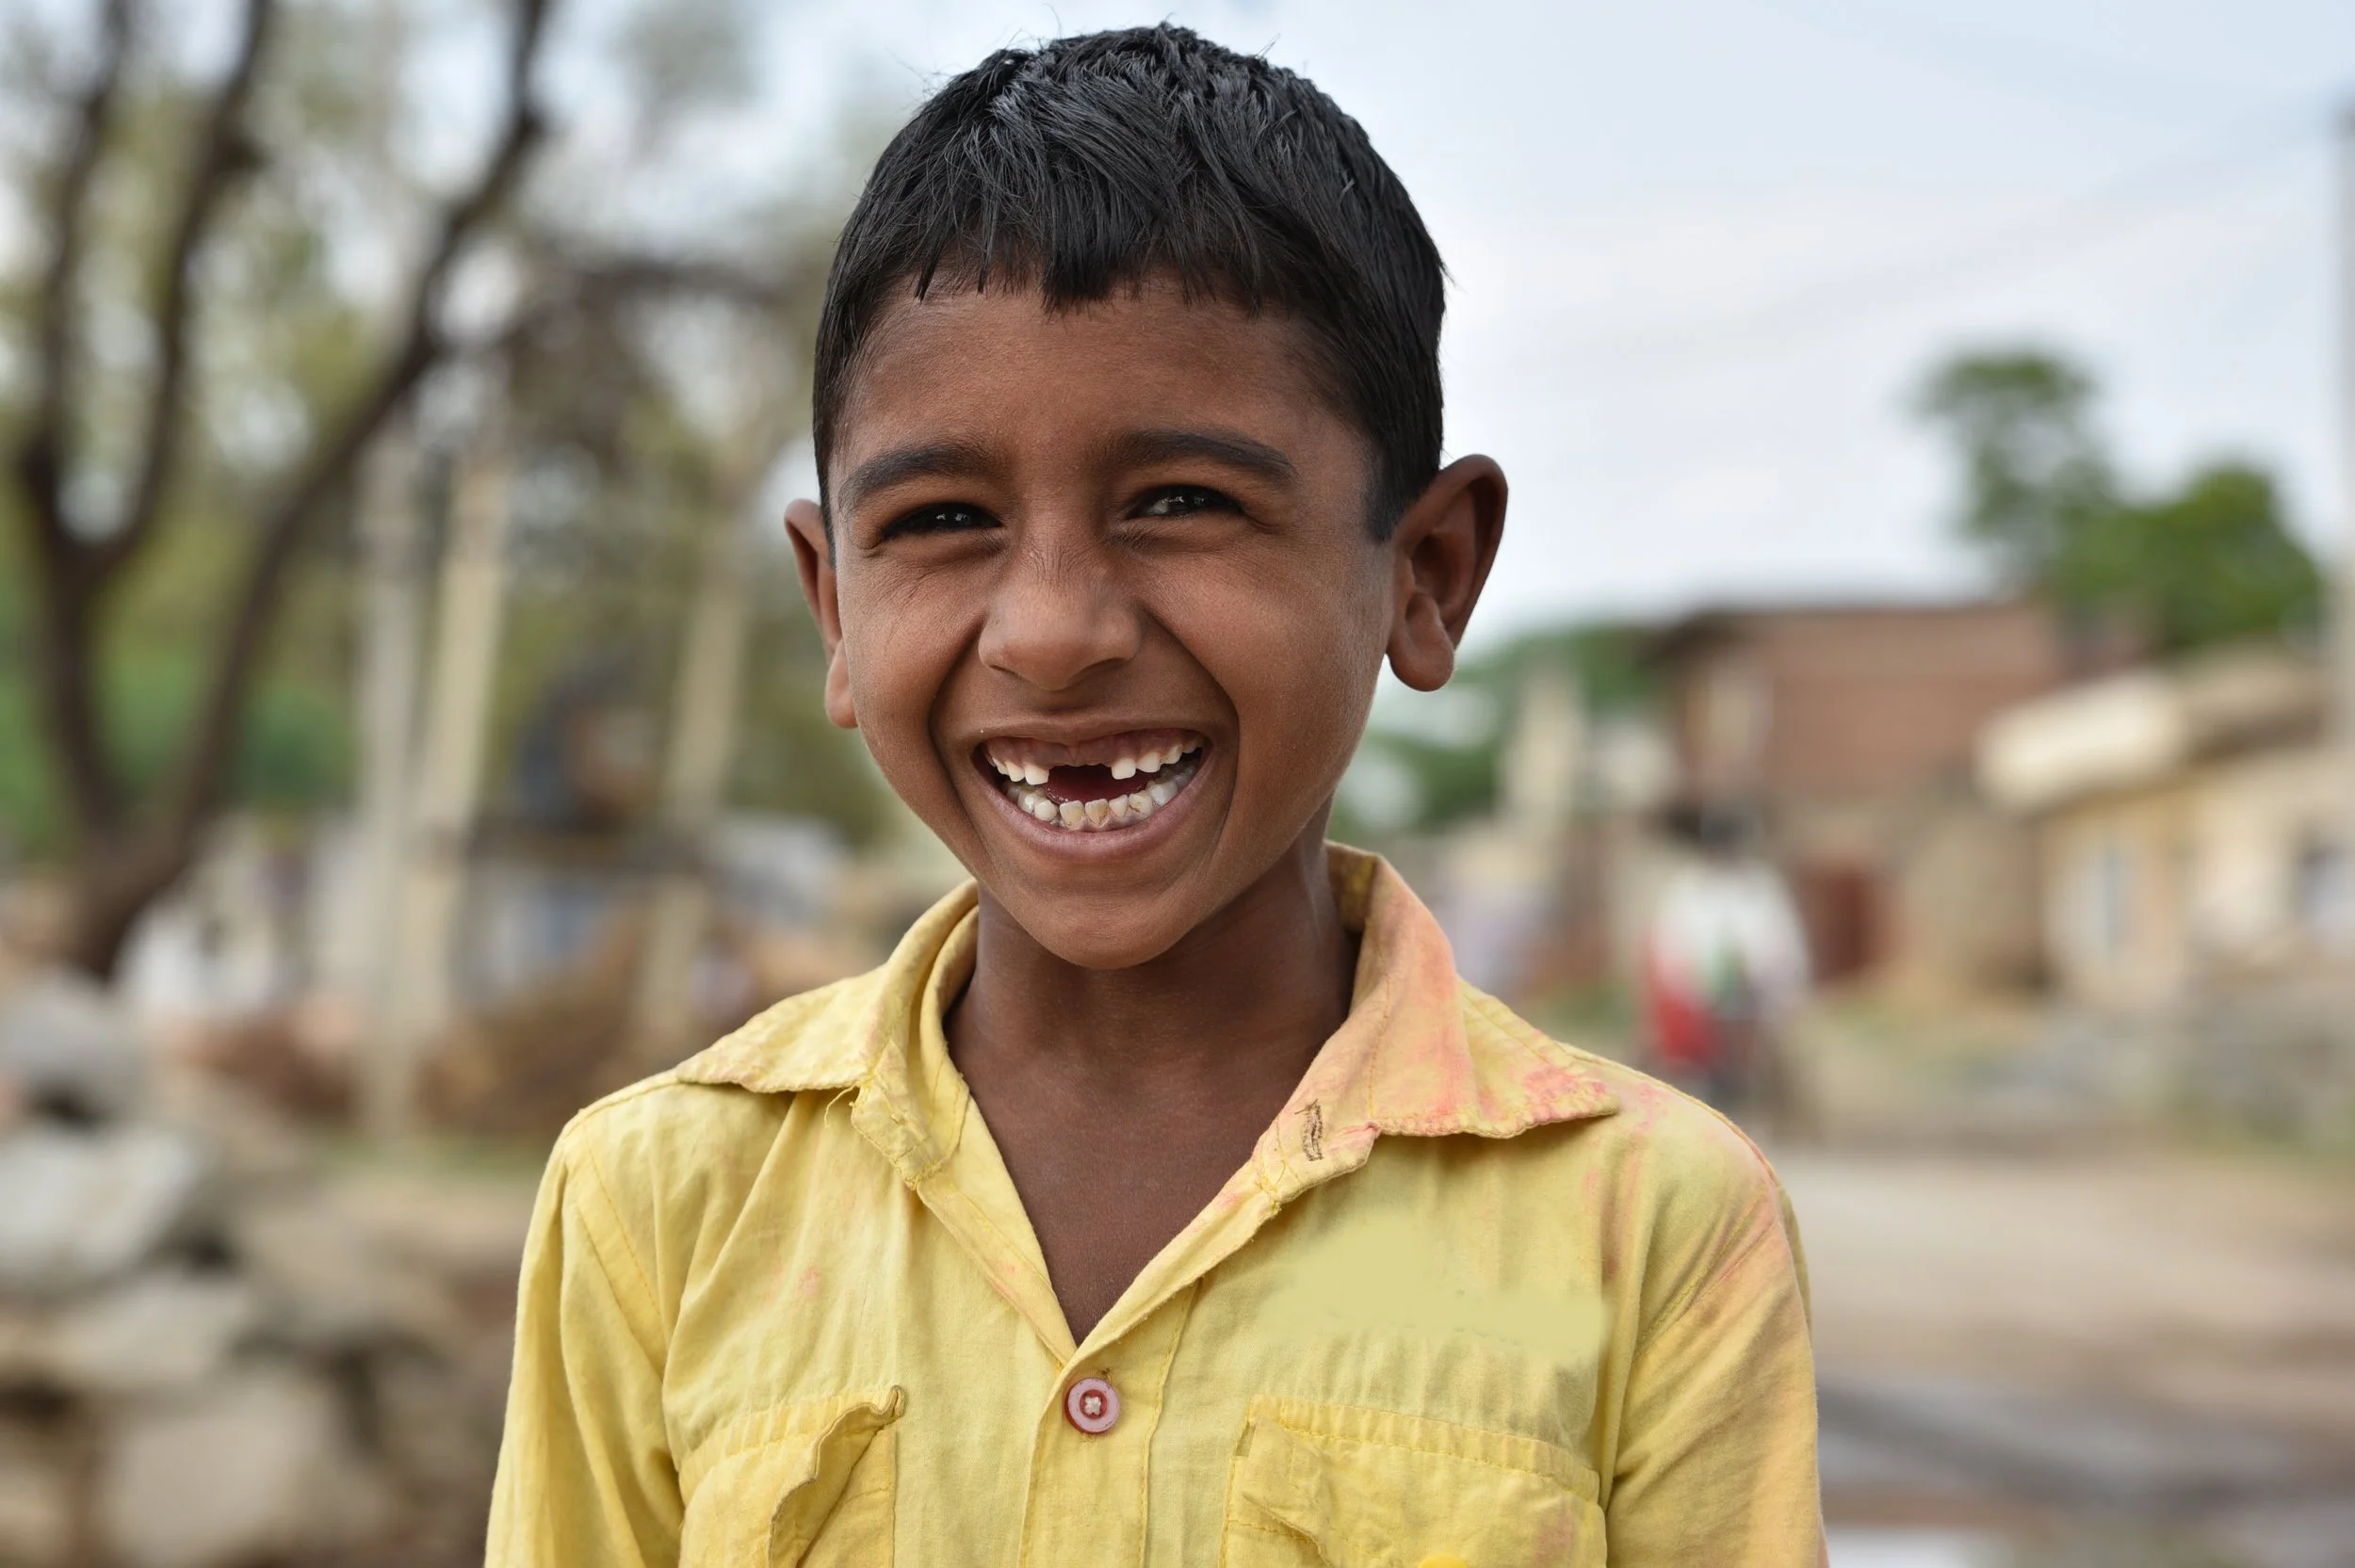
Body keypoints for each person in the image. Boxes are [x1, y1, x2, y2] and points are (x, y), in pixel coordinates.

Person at [487, 27, 1823, 1566]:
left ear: (1426, 574)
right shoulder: (663, 1202)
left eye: (1181, 502)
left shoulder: (1648, 1224)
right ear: (836, 605)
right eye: (941, 519)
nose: (1054, 630)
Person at [1640, 804, 1813, 1126]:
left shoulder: (1759, 887)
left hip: (1755, 993)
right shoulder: (1689, 888)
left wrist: (1767, 980)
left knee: (1767, 1055)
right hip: (1698, 996)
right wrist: (1693, 986)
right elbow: (1672, 946)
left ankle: (1770, 1110)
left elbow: (1781, 941)